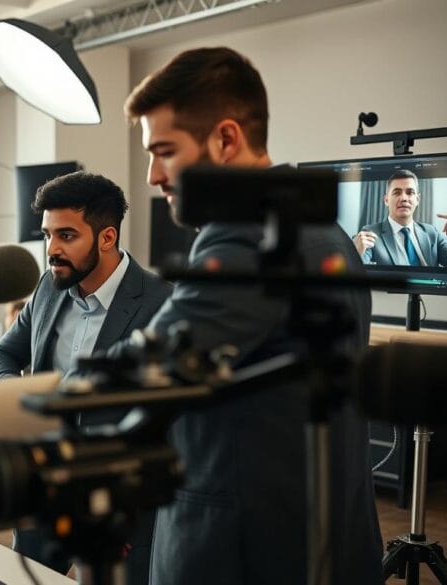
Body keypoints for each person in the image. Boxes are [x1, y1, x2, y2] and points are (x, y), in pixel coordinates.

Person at [123, 47, 382, 584]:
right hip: (324, 540)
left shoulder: (245, 234)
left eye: (163, 151)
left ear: (225, 138)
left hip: (244, 554)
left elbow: (148, 377)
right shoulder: (320, 226)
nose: (151, 175)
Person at [0, 170, 169, 584]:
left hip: (116, 495)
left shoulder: (162, 303)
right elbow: (4, 352)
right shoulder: (49, 288)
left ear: (107, 237)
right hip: (42, 475)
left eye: (66, 236)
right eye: (47, 235)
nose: (51, 249)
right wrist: (12, 396)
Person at [354, 168, 447, 268]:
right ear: (386, 200)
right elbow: (355, 274)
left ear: (418, 199)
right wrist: (356, 252)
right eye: (397, 192)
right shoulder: (369, 233)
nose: (404, 198)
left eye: (410, 192)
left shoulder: (431, 233)